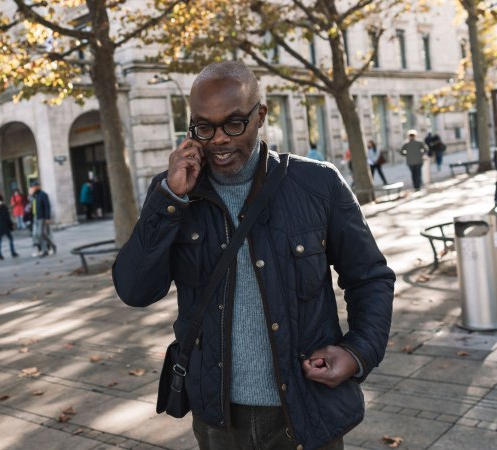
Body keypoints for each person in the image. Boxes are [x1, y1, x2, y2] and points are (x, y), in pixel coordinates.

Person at [113, 61, 395, 450]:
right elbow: (134, 290)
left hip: (307, 406)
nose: (218, 140)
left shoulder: (317, 183)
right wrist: (169, 201)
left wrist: (358, 351)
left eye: (233, 123)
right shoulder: (173, 194)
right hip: (218, 418)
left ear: (260, 115)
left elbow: (370, 278)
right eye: (203, 127)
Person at [29, 180, 56, 257]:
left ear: (38, 186)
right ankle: (52, 245)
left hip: (42, 217)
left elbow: (47, 206)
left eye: (34, 186)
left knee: (40, 234)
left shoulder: (43, 195)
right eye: (32, 187)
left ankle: (45, 250)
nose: (33, 188)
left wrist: (47, 217)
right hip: (36, 217)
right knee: (41, 234)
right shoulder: (35, 195)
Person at [0, 193, 19, 259]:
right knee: (10, 238)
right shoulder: (3, 206)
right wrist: (11, 224)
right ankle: (12, 252)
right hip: (4, 225)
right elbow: (6, 216)